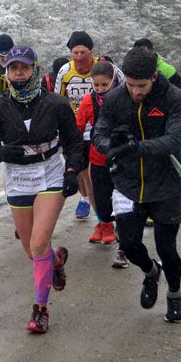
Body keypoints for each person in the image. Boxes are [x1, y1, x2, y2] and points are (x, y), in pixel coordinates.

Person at [0, 46, 84, 333]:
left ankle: (40, 310)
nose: (19, 73)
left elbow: (74, 142)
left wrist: (72, 171)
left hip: (49, 175)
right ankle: (56, 258)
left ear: (35, 69)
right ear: (7, 73)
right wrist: (0, 153)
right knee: (33, 253)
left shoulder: (56, 103)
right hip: (18, 179)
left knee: (38, 243)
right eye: (14, 68)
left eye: (24, 67)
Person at [93, 48, 181, 323]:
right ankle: (151, 272)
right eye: (131, 85)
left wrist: (137, 148)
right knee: (129, 244)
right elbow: (99, 132)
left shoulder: (174, 97)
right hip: (128, 183)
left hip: (167, 183)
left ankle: (174, 294)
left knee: (167, 247)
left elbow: (174, 140)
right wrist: (112, 145)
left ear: (154, 77)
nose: (136, 91)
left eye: (142, 86)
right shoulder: (115, 98)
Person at [55, 31, 124, 221]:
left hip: (102, 128)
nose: (78, 57)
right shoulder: (64, 72)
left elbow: (127, 90)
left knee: (95, 174)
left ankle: (103, 214)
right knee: (80, 170)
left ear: (91, 52)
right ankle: (85, 198)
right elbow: (57, 100)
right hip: (76, 125)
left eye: (82, 52)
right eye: (74, 53)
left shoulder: (109, 68)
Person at [75, 61, 129, 268]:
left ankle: (124, 246)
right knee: (102, 201)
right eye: (96, 85)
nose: (99, 89)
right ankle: (106, 223)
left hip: (122, 158)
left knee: (123, 202)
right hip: (98, 159)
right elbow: (78, 126)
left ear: (113, 81)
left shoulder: (124, 98)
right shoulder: (88, 101)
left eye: (104, 85)